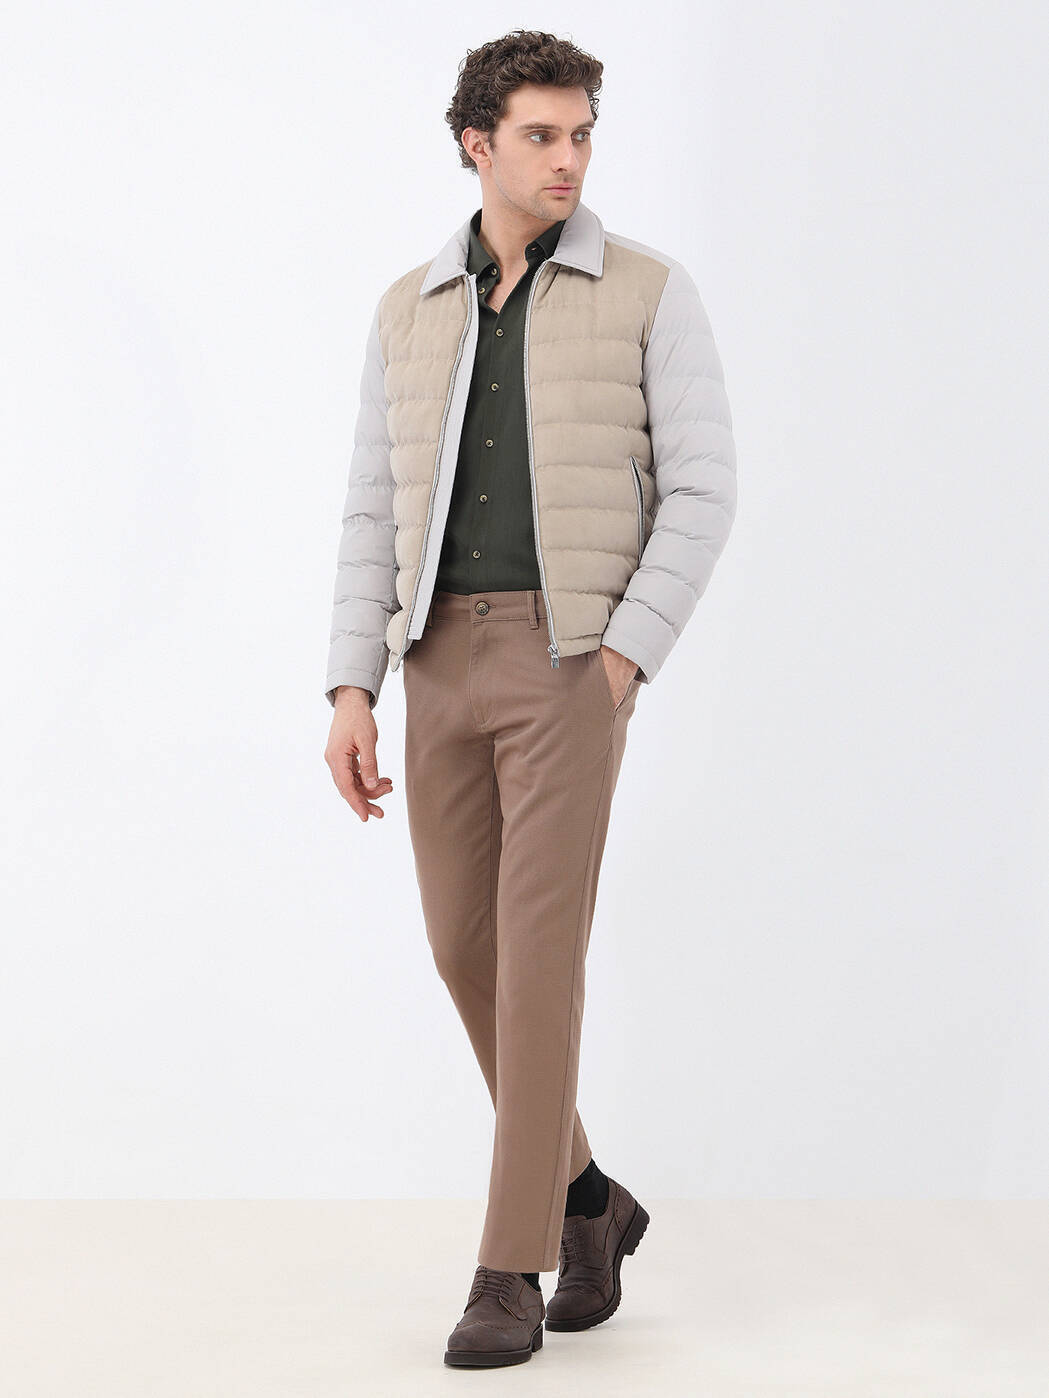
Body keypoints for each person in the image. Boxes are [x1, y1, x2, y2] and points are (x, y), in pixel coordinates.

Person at [322, 29, 737, 1369]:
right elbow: (372, 506)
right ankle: (591, 1197)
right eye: (542, 136)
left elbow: (704, 489)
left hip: (567, 663)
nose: (569, 160)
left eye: (582, 135)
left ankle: (512, 1263)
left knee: (539, 955)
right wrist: (352, 683)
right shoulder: (409, 307)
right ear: (477, 144)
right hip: (435, 658)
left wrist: (622, 658)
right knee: (465, 948)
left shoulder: (647, 292)